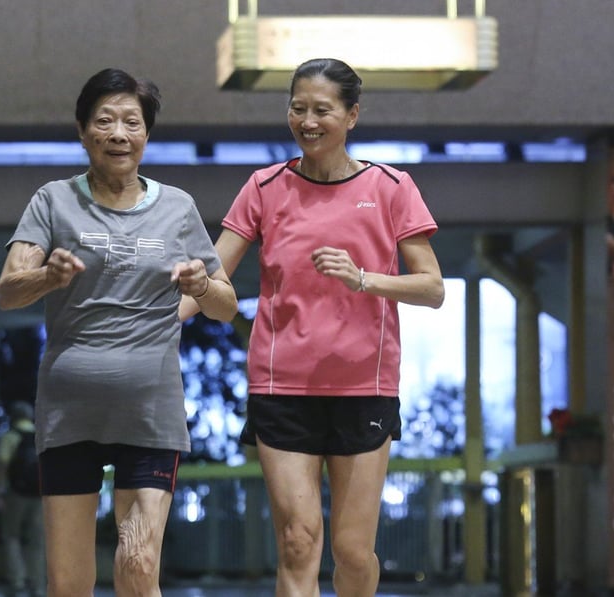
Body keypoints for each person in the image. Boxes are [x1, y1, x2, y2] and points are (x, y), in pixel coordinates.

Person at [191, 58, 445, 596]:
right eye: (298, 108)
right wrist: (164, 317)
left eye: (322, 110)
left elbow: (432, 288)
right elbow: (214, 278)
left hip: (364, 387)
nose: (308, 120)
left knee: (353, 551)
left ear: (352, 116)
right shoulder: (264, 187)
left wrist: (364, 279)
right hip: (281, 388)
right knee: (299, 540)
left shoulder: (392, 186)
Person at [0, 68, 238, 597]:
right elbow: (8, 290)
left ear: (147, 135)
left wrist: (201, 281)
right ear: (83, 130)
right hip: (68, 411)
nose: (119, 133)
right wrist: (47, 276)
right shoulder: (52, 200)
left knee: (136, 564)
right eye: (104, 121)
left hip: (149, 411)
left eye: (132, 122)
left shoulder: (177, 207)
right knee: (68, 582)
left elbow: (225, 306)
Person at [0, 401, 45, 597]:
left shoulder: (10, 436)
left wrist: (0, 493)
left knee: (11, 536)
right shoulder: (40, 437)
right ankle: (38, 585)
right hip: (39, 495)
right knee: (37, 541)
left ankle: (17, 583)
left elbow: (2, 466)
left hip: (16, 493)